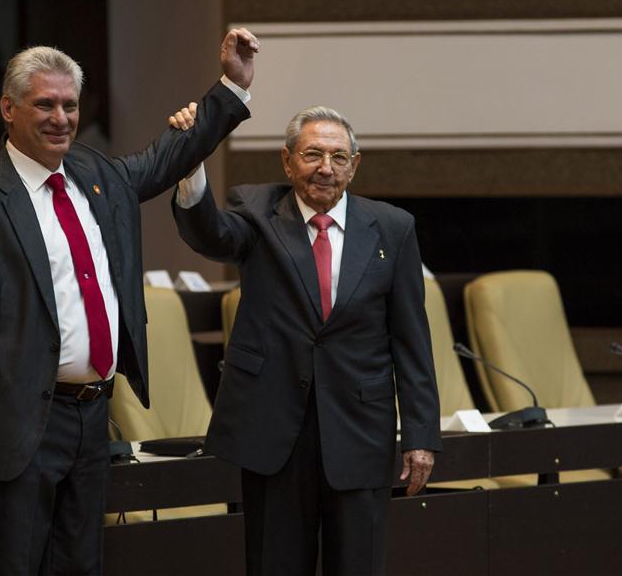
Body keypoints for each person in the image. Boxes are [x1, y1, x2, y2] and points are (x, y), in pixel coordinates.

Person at [0, 29, 259, 575]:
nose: (61, 118)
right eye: (44, 104)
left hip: (92, 416)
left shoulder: (97, 176)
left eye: (70, 105)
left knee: (81, 567)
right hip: (14, 426)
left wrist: (231, 87)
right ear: (8, 108)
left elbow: (169, 156)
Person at [170, 104, 441, 575]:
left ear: (355, 166)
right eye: (313, 154)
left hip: (360, 430)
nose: (325, 168)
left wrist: (420, 435)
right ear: (287, 161)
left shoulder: (394, 229)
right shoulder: (257, 212)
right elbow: (209, 233)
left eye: (338, 157)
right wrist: (191, 163)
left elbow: (412, 341)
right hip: (276, 432)